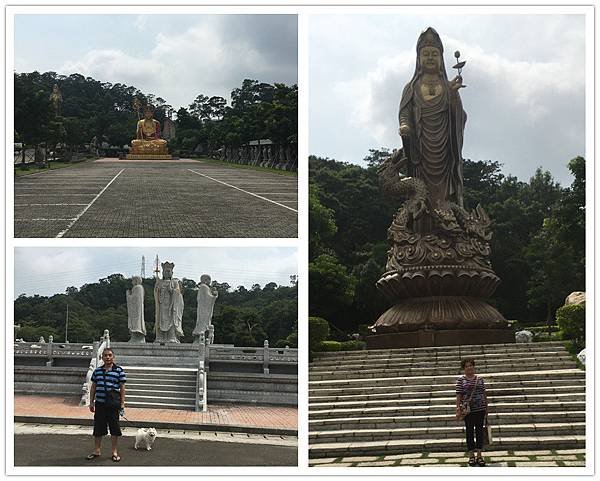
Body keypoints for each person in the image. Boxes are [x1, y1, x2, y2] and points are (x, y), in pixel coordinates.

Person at [398, 27, 466, 211]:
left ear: (441, 59)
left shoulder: (448, 86)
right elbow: (404, 112)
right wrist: (404, 125)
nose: (430, 57)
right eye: (425, 54)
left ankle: (446, 215)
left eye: (434, 54)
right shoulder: (411, 87)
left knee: (443, 192)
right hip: (420, 149)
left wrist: (452, 96)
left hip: (444, 149)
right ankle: (422, 218)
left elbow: (460, 117)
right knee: (421, 188)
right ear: (418, 59)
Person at [87, 348, 126, 462]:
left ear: (113, 357)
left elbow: (122, 388)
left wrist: (122, 404)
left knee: (114, 428)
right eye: (105, 355)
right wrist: (91, 402)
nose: (107, 357)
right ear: (102, 357)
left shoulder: (119, 370)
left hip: (113, 404)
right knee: (98, 428)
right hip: (100, 403)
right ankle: (97, 450)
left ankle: (114, 451)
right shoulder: (97, 371)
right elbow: (93, 387)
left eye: (109, 355)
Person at [456, 358, 488, 467]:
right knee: (469, 432)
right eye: (466, 366)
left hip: (480, 409)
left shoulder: (480, 379)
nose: (469, 367)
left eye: (471, 365)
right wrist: (458, 408)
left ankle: (479, 455)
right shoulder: (461, 380)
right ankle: (471, 455)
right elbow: (459, 395)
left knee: (479, 432)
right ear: (464, 369)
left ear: (474, 367)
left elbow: (484, 393)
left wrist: (486, 407)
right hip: (468, 410)